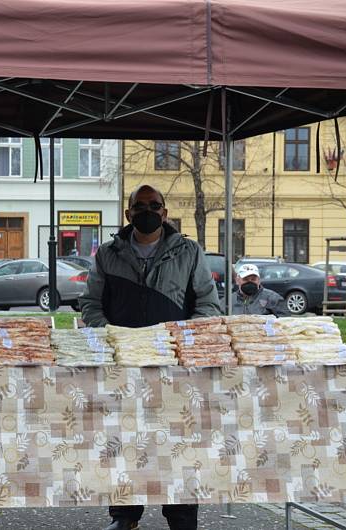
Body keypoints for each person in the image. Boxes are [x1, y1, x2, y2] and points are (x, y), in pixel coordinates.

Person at [79, 184, 221, 530]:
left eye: (154, 205)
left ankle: (182, 517)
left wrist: (181, 343)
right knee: (125, 440)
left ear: (165, 212)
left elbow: (207, 304)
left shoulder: (189, 251)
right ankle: (124, 516)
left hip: (175, 368)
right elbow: (90, 303)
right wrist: (111, 338)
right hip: (124, 367)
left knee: (180, 443)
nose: (148, 211)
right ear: (128, 215)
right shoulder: (108, 254)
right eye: (140, 206)